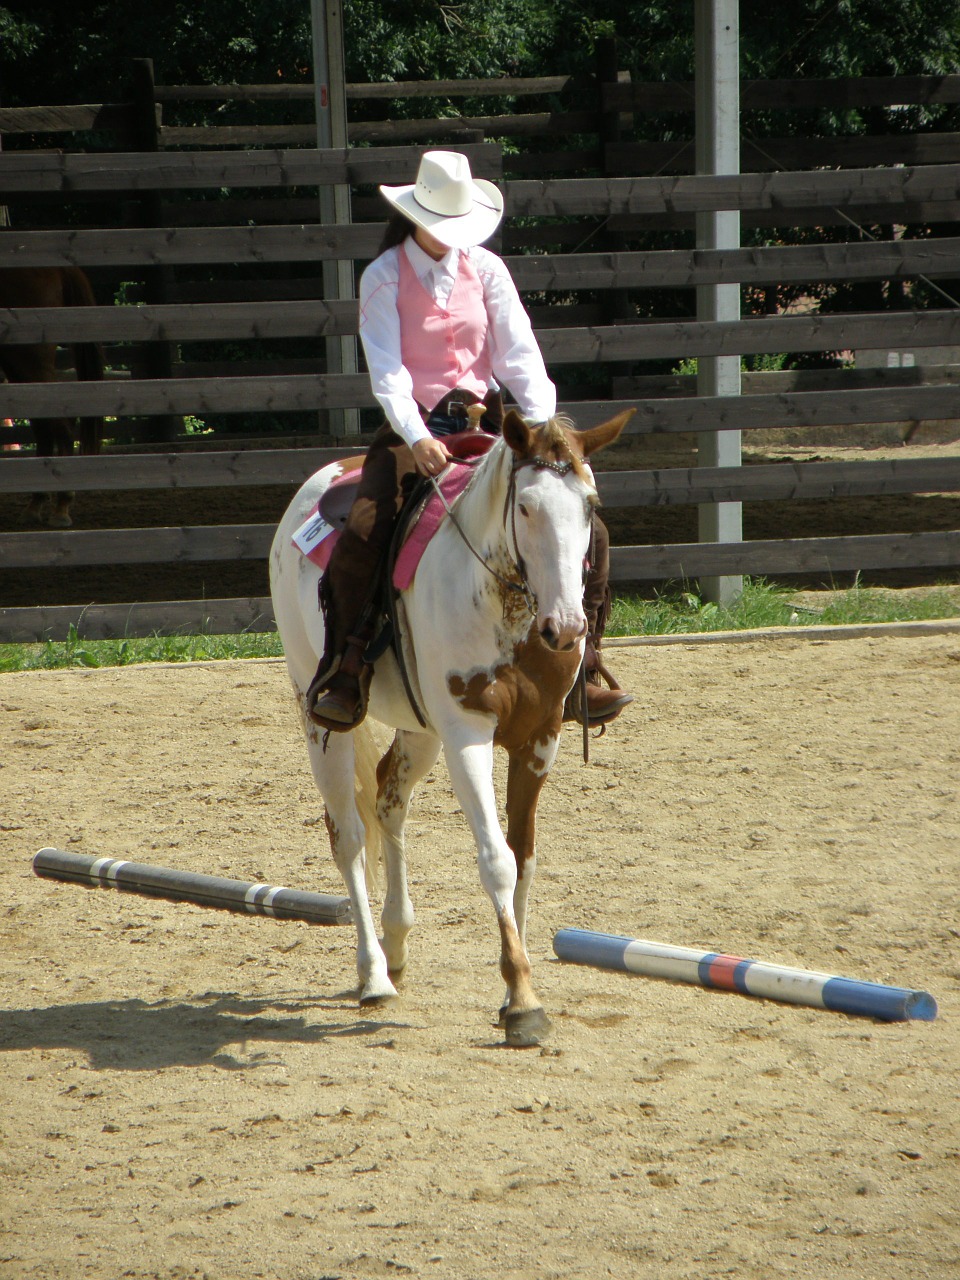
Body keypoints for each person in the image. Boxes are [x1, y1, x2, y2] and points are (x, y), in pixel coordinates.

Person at [306, 150, 632, 732]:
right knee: (364, 527)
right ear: (416, 216)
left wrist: (546, 438)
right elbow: (387, 373)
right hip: (415, 427)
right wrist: (415, 434)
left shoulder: (486, 271)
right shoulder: (382, 276)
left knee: (590, 528)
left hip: (494, 426)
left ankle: (583, 665)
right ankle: (347, 665)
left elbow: (520, 356)